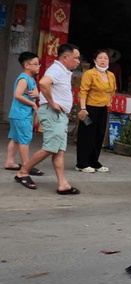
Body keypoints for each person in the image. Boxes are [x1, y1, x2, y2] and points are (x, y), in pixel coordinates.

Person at [14, 43, 81, 194]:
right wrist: (52, 103)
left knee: (58, 150)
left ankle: (63, 184)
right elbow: (44, 83)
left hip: (59, 115)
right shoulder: (57, 69)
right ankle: (23, 172)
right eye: (76, 58)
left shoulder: (63, 71)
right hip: (53, 113)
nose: (78, 61)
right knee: (50, 147)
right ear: (65, 58)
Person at [76, 49, 117, 173]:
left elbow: (113, 90)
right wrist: (83, 108)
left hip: (103, 108)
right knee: (87, 135)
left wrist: (108, 101)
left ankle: (94, 162)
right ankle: (82, 163)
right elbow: (83, 91)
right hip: (90, 108)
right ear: (95, 60)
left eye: (106, 58)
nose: (103, 60)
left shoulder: (111, 75)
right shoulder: (89, 74)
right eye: (100, 58)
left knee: (99, 135)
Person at [4, 52, 44, 175]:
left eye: (39, 64)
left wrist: (36, 95)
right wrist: (33, 104)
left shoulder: (31, 79)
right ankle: (26, 165)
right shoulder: (24, 79)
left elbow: (36, 93)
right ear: (27, 65)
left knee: (16, 138)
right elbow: (17, 95)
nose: (38, 66)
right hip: (21, 114)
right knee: (25, 138)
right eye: (36, 64)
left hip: (19, 114)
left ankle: (9, 162)